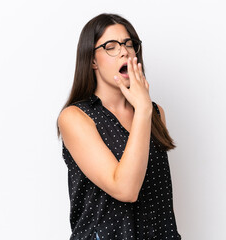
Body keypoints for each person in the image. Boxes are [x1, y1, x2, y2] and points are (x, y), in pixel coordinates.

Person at [57, 13, 181, 240]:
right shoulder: (75, 118)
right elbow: (125, 189)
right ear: (92, 60)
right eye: (110, 47)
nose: (124, 51)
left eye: (128, 44)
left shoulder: (155, 113)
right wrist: (142, 109)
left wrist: (144, 109)